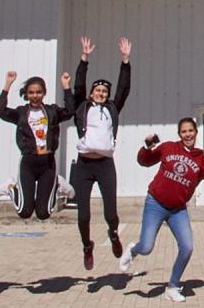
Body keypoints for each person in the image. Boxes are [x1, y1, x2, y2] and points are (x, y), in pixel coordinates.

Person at [120, 118, 204, 303]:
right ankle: (133, 250)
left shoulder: (201, 159)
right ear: (179, 134)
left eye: (191, 131)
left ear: (196, 132)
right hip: (156, 203)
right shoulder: (168, 148)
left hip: (177, 210)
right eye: (184, 132)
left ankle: (173, 286)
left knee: (187, 247)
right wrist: (147, 146)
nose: (188, 135)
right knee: (146, 247)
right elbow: (144, 161)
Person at [66, 36, 132, 270]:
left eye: (105, 91)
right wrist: (84, 59)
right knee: (83, 214)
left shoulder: (112, 108)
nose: (101, 93)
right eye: (98, 90)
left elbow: (124, 89)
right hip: (84, 165)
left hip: (105, 164)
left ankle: (113, 234)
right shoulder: (82, 108)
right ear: (92, 93)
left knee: (110, 212)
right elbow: (79, 86)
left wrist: (125, 61)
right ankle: (87, 246)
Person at [0, 68, 75, 221]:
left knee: (43, 214)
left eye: (38, 92)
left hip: (48, 163)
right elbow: (1, 111)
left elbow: (70, 111)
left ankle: (57, 185)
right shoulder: (21, 113)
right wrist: (7, 85)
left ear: (44, 93)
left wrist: (66, 87)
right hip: (29, 162)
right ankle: (10, 188)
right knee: (24, 212)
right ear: (27, 94)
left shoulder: (52, 111)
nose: (35, 96)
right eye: (31, 93)